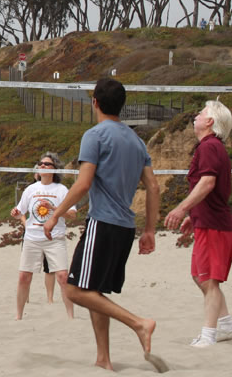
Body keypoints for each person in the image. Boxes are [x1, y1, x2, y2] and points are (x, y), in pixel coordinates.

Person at [43, 78, 160, 370]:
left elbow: (83, 184)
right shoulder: (137, 141)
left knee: (73, 290)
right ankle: (103, 359)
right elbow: (153, 187)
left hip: (103, 222)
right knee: (94, 290)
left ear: (94, 102)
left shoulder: (95, 135)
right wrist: (149, 230)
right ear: (122, 106)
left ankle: (139, 324)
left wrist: (56, 214)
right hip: (126, 228)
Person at [165, 100, 232, 347]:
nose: (196, 116)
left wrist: (181, 208)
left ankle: (209, 335)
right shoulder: (209, 147)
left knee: (209, 280)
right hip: (207, 221)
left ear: (210, 121)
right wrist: (193, 214)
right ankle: (227, 326)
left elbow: (208, 183)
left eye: (201, 113)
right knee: (200, 277)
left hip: (215, 225)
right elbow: (209, 189)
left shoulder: (210, 146)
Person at [11, 153, 76, 320]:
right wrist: (16, 213)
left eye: (47, 164)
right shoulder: (30, 189)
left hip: (54, 239)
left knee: (62, 277)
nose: (43, 166)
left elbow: (72, 215)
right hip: (32, 238)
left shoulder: (61, 190)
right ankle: (19, 315)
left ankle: (71, 316)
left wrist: (53, 208)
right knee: (24, 277)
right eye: (41, 163)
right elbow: (20, 212)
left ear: (54, 169)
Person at [18, 166, 56, 304]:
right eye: (37, 171)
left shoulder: (54, 189)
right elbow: (20, 211)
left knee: (50, 267)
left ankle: (50, 298)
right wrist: (26, 224)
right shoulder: (30, 190)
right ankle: (26, 297)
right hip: (32, 234)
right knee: (28, 268)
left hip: (49, 233)